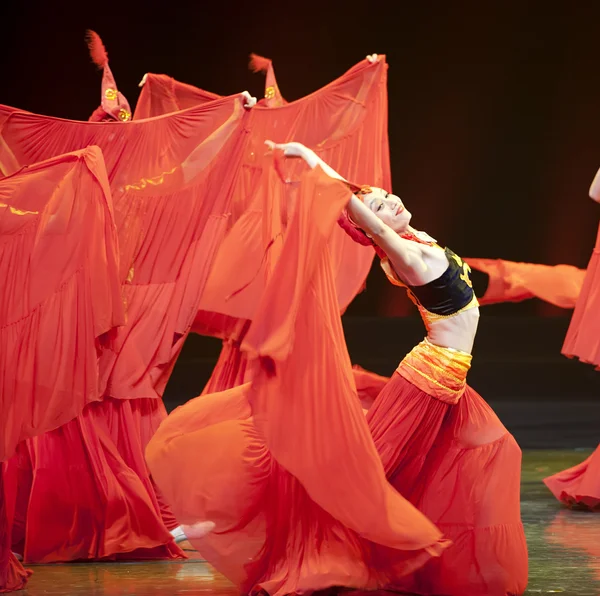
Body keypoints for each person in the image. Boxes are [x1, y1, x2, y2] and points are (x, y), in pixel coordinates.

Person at [269, 140, 529, 596]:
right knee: (379, 471)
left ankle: (422, 560)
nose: (392, 202)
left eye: (388, 197)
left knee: (474, 457)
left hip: (450, 375)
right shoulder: (403, 255)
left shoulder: (415, 239)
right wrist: (310, 161)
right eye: (381, 208)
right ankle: (315, 551)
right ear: (373, 227)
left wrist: (315, 161)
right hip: (430, 378)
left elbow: (354, 198)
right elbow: (355, 210)